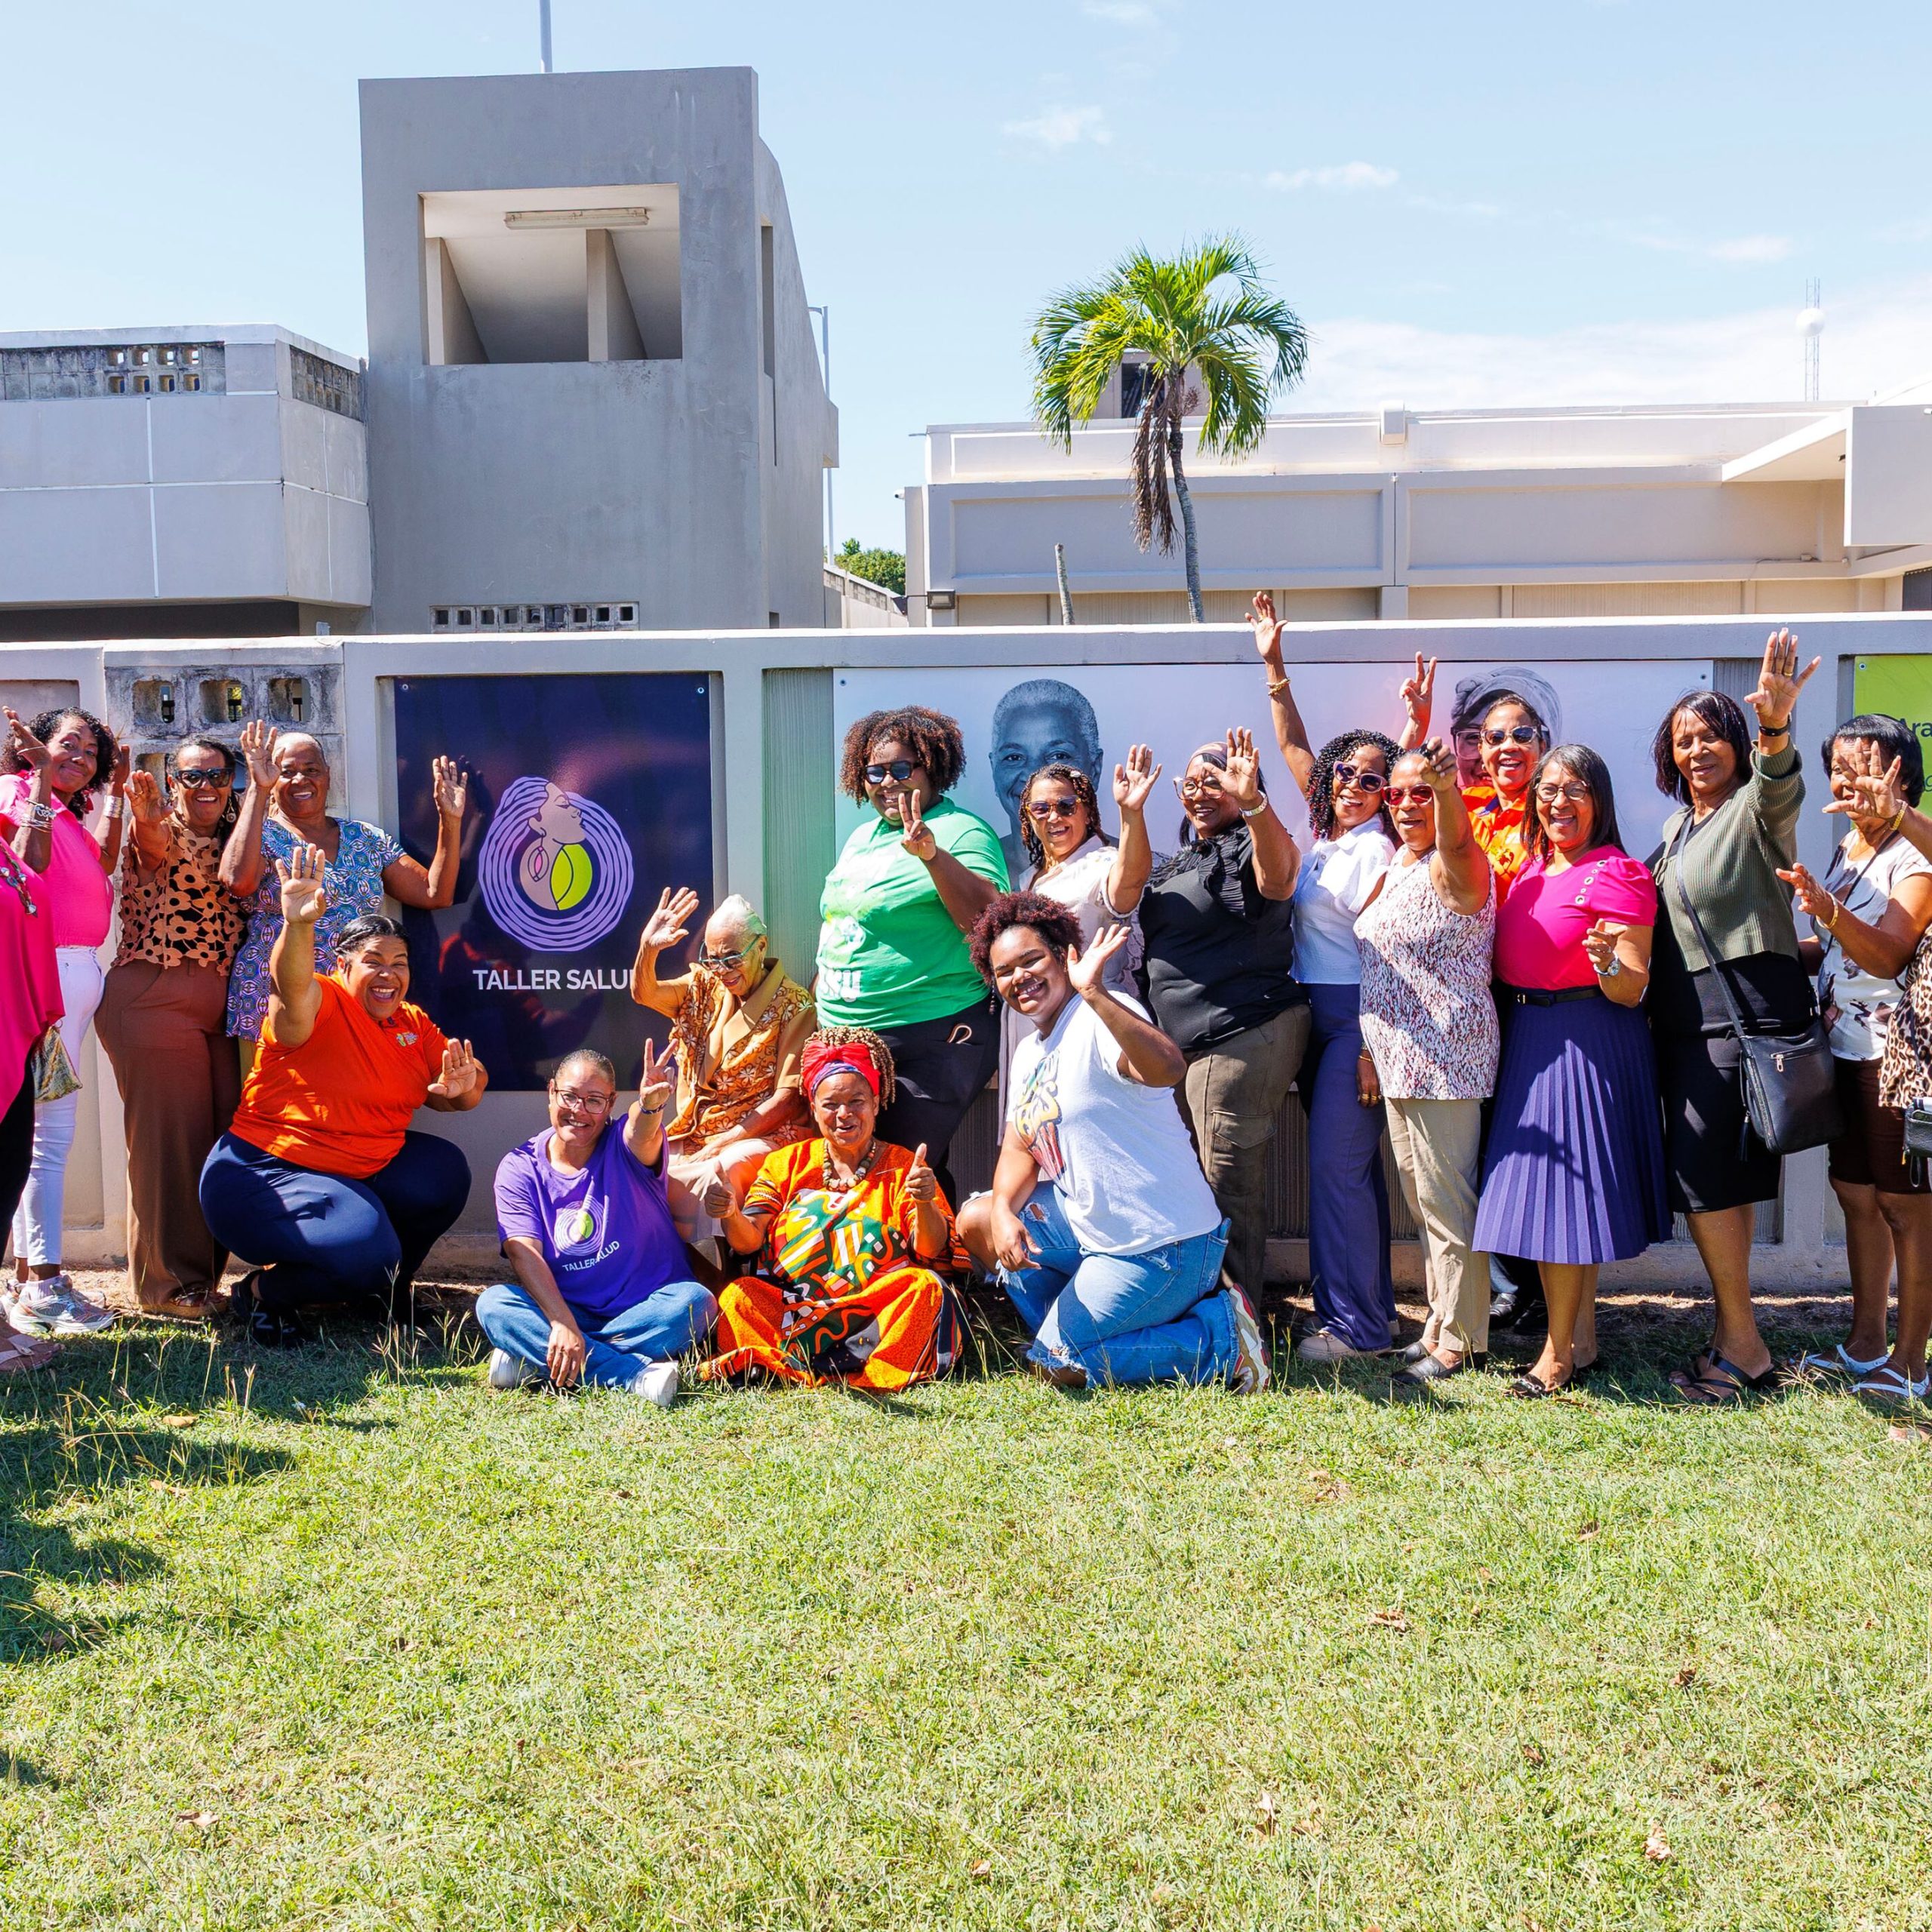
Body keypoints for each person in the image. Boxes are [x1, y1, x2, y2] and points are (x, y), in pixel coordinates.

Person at [958, 896, 1269, 1392]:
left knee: (1058, 1362)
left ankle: (1221, 1342)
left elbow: (1166, 1068)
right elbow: (1020, 1148)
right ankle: (1067, 1337)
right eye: (1004, 971)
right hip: (1094, 1232)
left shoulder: (1100, 1014)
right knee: (978, 1217)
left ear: (1063, 955)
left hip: (1164, 1246)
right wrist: (1001, 1213)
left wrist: (1098, 994)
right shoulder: (1028, 1053)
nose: (1021, 977)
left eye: (1032, 960)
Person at [198, 846, 485, 1346]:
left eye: (399, 963)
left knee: (443, 1172)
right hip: (260, 1176)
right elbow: (290, 991)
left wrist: (464, 1090)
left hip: (349, 1173)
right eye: (372, 961)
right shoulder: (322, 1000)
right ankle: (266, 1292)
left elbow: (460, 1085)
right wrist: (299, 924)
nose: (388, 974)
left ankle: (384, 1293)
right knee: (366, 1251)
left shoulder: (410, 1023)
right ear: (342, 966)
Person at [1647, 632, 1818, 1404]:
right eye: (1683, 740)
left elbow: (1781, 791)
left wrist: (1777, 729)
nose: (1696, 749)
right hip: (1693, 1024)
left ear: (1737, 743)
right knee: (1726, 1182)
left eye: (1711, 734)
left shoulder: (1752, 807)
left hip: (1740, 1018)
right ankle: (1731, 1331)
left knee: (1707, 1181)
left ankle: (1744, 1349)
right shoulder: (1674, 830)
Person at [1472, 745, 1669, 1398]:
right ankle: (1581, 1339)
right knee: (1565, 1202)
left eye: (1575, 789)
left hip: (1586, 1037)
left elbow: (1632, 986)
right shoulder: (1529, 868)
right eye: (1549, 789)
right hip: (1530, 1034)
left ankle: (1555, 1357)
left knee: (1561, 1201)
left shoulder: (1619, 873)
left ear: (1600, 801)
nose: (1559, 801)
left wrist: (1608, 962)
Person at [1780, 719, 1932, 1406]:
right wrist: (1775, 956)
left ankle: (1911, 1361)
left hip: (1899, 1061)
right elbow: (1837, 951)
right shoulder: (1848, 844)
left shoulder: (1916, 857)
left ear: (1900, 773)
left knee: (1908, 1210)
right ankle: (1867, 1341)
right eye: (1838, 767)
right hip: (1841, 1050)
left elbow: (1889, 953)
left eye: (1864, 766)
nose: (1846, 780)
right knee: (1858, 1198)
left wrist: (1829, 912)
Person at [1137, 729, 1303, 1306]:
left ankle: (1240, 1321)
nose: (1201, 792)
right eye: (1192, 783)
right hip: (1185, 1046)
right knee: (1197, 1180)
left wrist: (1254, 803)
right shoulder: (1184, 857)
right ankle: (1203, 1303)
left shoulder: (1251, 844)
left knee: (1225, 1181)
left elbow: (1279, 880)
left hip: (1239, 1032)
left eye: (1216, 780)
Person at [700, 1029, 964, 1391]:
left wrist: (923, 1201)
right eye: (830, 1104)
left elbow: (931, 1250)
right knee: (740, 1295)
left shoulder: (903, 1166)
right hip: (795, 1310)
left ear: (876, 1102)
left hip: (875, 1313)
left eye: (856, 1101)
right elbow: (747, 1244)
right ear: (813, 1107)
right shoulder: (785, 1164)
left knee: (924, 1289)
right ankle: (795, 1364)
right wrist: (730, 1213)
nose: (844, 1114)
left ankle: (860, 1368)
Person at [816, 706, 1008, 1202]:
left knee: (900, 1168)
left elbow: (991, 922)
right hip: (845, 1037)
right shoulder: (862, 837)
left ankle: (928, 1275)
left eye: (902, 769)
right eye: (875, 772)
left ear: (932, 769)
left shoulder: (962, 831)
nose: (887, 782)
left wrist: (932, 856)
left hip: (929, 1036)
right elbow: (843, 918)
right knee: (859, 1166)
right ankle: (895, 1270)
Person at [1355, 739, 1497, 1386]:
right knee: (1423, 1199)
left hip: (1447, 1059)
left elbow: (1461, 845)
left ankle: (1464, 1340)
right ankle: (1440, 1320)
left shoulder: (1454, 863)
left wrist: (1446, 792)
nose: (1408, 803)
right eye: (1398, 792)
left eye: (1423, 791)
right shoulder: (1403, 863)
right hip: (1399, 1063)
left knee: (1448, 1202)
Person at [94, 739, 249, 1319]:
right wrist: (144, 816)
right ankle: (167, 1288)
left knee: (217, 1145)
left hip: (222, 1011)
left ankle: (201, 1277)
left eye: (216, 773)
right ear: (172, 781)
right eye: (190, 776)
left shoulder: (241, 839)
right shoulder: (159, 829)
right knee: (169, 1150)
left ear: (232, 779)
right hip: (155, 999)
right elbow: (153, 847)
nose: (204, 784)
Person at [477, 1043, 717, 1406]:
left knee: (694, 1303)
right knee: (494, 1304)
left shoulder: (624, 1144)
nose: (579, 1111)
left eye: (594, 1101)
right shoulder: (520, 1166)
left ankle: (542, 1359)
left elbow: (642, 1131)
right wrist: (560, 1322)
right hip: (567, 1309)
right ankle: (631, 1375)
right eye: (570, 1096)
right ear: (551, 1093)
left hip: (648, 1308)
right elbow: (521, 1252)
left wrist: (650, 1105)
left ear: (610, 1106)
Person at [0, 706, 125, 1338]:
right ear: (31, 748)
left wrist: (120, 795)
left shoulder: (72, 814)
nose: (79, 758)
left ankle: (33, 1279)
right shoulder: (14, 794)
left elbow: (99, 867)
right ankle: (40, 1282)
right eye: (64, 745)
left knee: (41, 1135)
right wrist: (42, 782)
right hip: (39, 977)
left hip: (73, 976)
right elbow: (26, 870)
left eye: (89, 754)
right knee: (42, 1137)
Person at [221, 723, 466, 1044]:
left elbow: (435, 893)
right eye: (286, 771)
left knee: (347, 1092)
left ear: (327, 774)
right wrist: (258, 787)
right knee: (281, 1093)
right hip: (274, 1003)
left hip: (350, 1000)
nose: (300, 779)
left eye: (311, 769)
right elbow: (237, 881)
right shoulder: (261, 834)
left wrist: (450, 820)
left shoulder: (365, 836)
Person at [1287, 728, 1399, 1361]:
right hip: (1314, 1017)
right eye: (1345, 773)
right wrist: (1276, 675)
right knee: (1353, 1174)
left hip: (1354, 1018)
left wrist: (1366, 1048)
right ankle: (1374, 1310)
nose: (1353, 786)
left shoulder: (1376, 851)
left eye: (1371, 779)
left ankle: (1354, 1330)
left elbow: (1384, 955)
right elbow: (1295, 747)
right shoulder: (1324, 843)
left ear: (1388, 793)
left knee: (1337, 1173)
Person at [630, 887, 815, 1235]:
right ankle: (658, 1262)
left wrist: (726, 1139)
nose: (721, 970)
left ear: (761, 946)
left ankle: (714, 1267)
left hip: (762, 1134)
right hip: (696, 1130)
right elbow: (645, 993)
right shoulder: (704, 984)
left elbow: (789, 1097)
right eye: (712, 958)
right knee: (636, 1162)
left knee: (719, 1169)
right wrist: (648, 949)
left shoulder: (794, 1004)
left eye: (731, 959)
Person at [995, 747, 1157, 1103]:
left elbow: (1127, 887)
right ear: (1028, 817)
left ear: (1086, 811)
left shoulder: (1102, 862)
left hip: (1087, 1018)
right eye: (1041, 808)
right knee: (1034, 1134)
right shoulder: (1029, 878)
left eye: (1066, 806)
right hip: (1029, 1024)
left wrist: (1131, 814)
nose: (1054, 816)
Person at [0, 712, 69, 1369]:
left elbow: (33, 864)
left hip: (14, 1033)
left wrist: (41, 784)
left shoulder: (2, 843)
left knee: (8, 1170)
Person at [988, 678, 1104, 882]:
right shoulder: (974, 870)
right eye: (1014, 757)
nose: (1035, 776)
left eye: (1058, 755)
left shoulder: (1140, 874)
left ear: (1095, 768)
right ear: (994, 769)